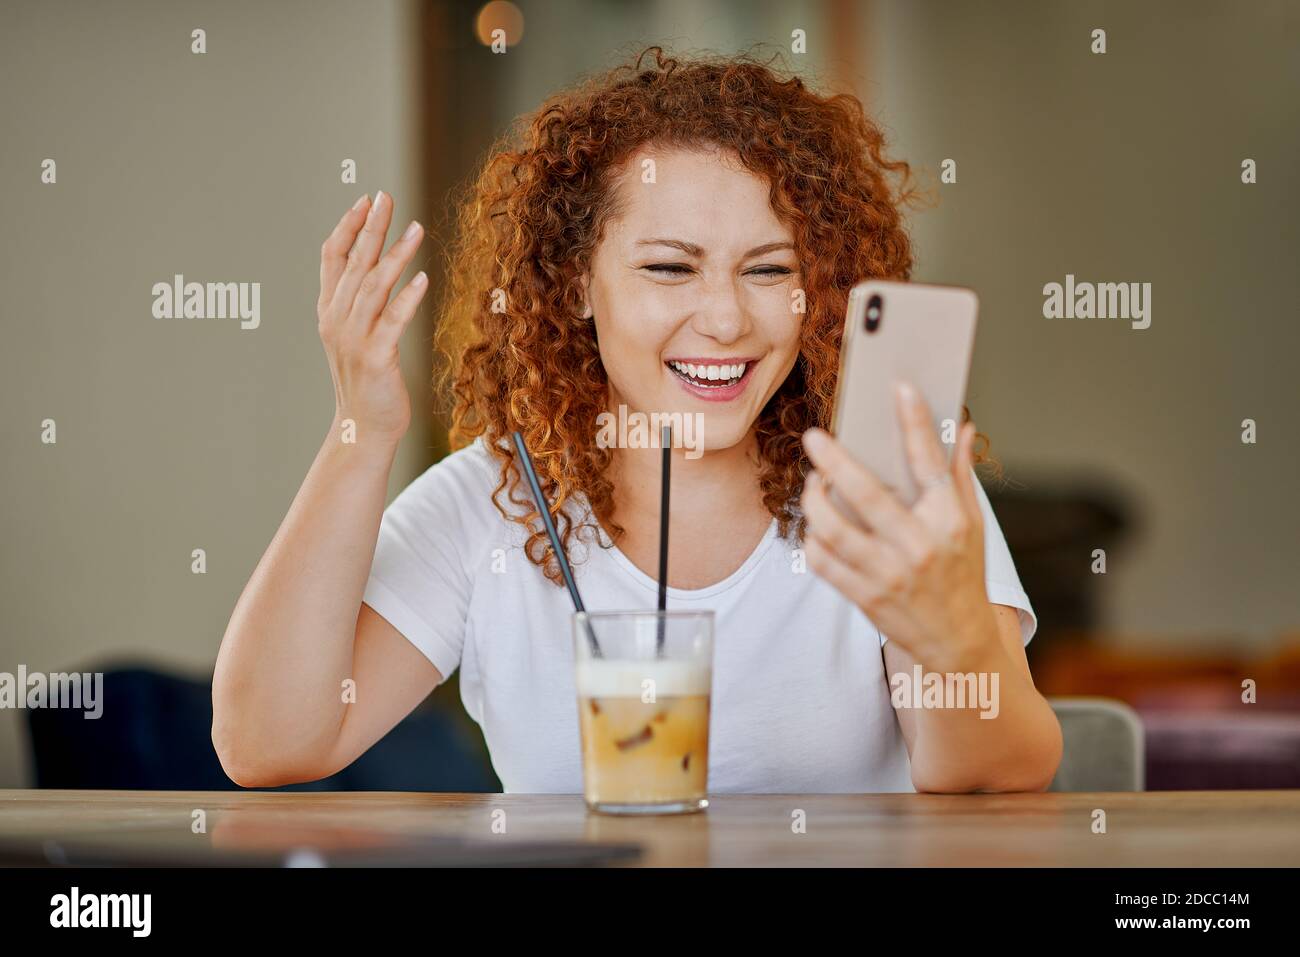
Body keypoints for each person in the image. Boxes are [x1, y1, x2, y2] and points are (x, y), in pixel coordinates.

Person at [212, 48, 1062, 794]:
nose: (725, 319)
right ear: (575, 284)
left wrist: (948, 633)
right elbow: (268, 742)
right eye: (668, 267)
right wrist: (360, 430)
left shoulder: (887, 494)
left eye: (769, 270)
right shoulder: (495, 501)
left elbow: (999, 769)